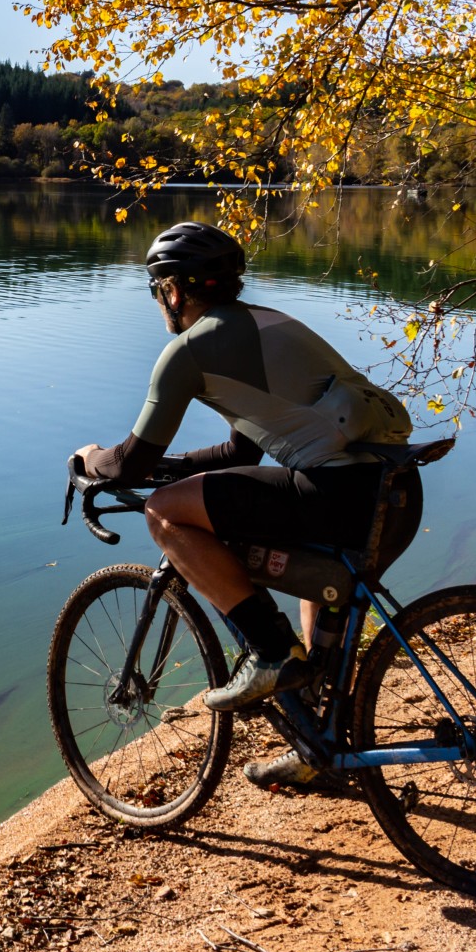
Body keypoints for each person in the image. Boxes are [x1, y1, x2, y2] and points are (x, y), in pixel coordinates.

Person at [72, 221, 418, 789]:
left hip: (339, 496)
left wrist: (89, 459)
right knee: (323, 589)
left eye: (159, 289)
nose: (161, 301)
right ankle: (321, 748)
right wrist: (179, 465)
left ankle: (269, 650)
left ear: (174, 290)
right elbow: (241, 448)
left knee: (163, 510)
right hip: (395, 490)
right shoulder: (270, 322)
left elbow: (129, 466)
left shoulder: (188, 350)